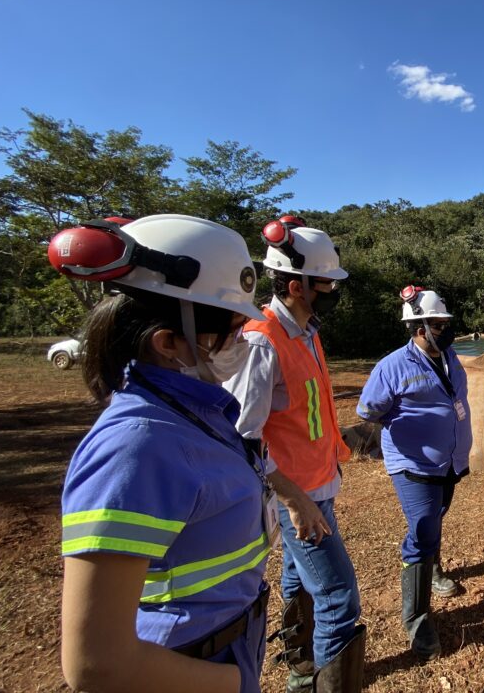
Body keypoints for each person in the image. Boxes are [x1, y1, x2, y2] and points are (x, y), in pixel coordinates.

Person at [54, 214, 271, 693]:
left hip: (224, 645)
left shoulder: (194, 412)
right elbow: (96, 665)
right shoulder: (135, 446)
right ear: (168, 342)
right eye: (233, 330)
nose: (242, 343)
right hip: (187, 667)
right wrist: (232, 683)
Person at [224, 218, 364, 693]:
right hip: (296, 495)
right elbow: (242, 435)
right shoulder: (263, 340)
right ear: (294, 285)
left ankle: (301, 669)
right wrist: (291, 499)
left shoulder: (307, 330)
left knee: (299, 578)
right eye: (325, 282)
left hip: (317, 484)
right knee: (339, 595)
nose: (332, 289)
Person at [356, 287, 472, 661]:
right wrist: (395, 432)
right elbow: (368, 410)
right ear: (418, 327)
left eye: (445, 323)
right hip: (413, 465)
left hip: (449, 462)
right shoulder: (392, 366)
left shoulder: (451, 356)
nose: (445, 329)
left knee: (436, 517)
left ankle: (432, 570)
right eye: (438, 324)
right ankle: (417, 621)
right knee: (422, 533)